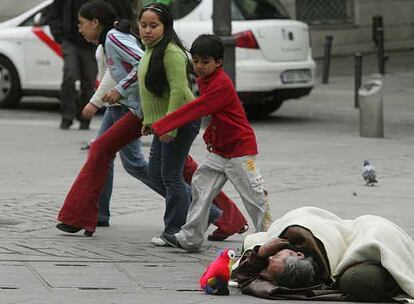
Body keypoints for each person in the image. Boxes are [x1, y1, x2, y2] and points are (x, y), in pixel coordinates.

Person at [55, 1, 248, 241]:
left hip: (158, 114)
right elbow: (126, 71)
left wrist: (114, 96)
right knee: (155, 166)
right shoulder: (147, 47)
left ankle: (197, 220)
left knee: (157, 169)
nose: (146, 30)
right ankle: (219, 216)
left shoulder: (136, 43)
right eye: (143, 25)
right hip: (145, 112)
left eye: (153, 26)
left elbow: (175, 90)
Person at [151, 34, 273, 252]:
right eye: (196, 61)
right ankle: (191, 238)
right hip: (221, 151)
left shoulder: (221, 84)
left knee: (254, 196)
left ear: (219, 62)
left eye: (205, 61)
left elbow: (199, 108)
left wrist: (164, 124)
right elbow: (217, 116)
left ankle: (269, 239)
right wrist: (210, 138)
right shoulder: (206, 81)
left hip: (240, 151)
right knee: (200, 185)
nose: (199, 66)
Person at [232, 207, 414, 302]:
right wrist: (262, 251)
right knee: (361, 279)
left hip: (349, 230)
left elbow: (243, 276)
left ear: (299, 254)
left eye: (275, 257)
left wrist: (262, 251)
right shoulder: (293, 272)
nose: (270, 257)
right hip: (346, 241)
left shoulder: (297, 234)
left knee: (376, 236)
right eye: (273, 259)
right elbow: (246, 277)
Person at [48, 0, 97, 130]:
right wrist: (58, 34)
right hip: (69, 40)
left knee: (89, 80)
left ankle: (85, 118)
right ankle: (67, 116)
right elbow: (53, 14)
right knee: (70, 75)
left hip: (90, 43)